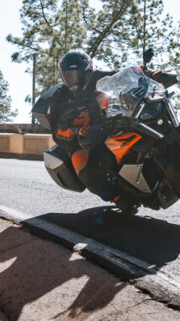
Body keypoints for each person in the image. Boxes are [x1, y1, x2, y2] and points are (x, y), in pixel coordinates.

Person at [49, 49, 133, 210]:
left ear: (88, 72)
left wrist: (144, 73)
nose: (73, 82)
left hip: (106, 126)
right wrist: (76, 132)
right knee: (86, 174)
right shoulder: (59, 98)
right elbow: (56, 132)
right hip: (78, 142)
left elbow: (121, 75)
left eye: (77, 75)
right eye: (69, 76)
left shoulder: (97, 78)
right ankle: (117, 196)